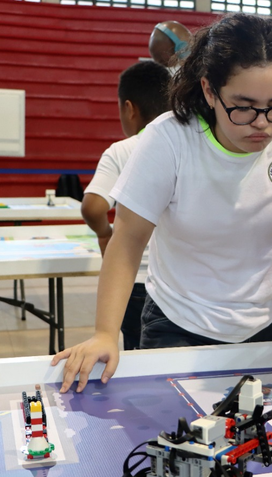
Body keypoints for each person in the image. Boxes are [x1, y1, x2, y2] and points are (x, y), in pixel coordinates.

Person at [52, 14, 272, 392]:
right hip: (177, 325)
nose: (262, 123)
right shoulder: (170, 139)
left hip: (265, 325)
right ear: (210, 91)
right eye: (243, 107)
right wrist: (104, 333)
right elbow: (128, 241)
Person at [80, 60, 172, 350]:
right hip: (175, 284)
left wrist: (105, 234)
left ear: (129, 108)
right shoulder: (186, 145)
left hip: (134, 279)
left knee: (136, 353)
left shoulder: (123, 150)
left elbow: (93, 206)